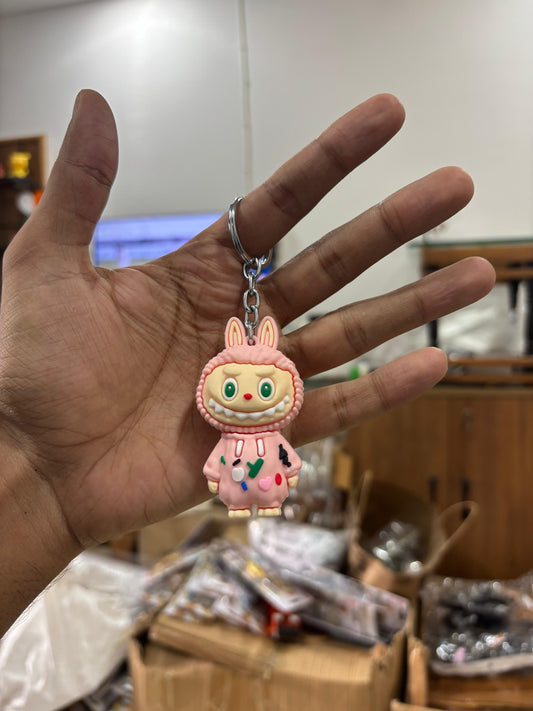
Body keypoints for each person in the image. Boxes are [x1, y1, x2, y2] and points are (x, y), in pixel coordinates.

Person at [0, 90, 495, 636]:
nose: (250, 400)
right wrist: (33, 466)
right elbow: (228, 458)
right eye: (235, 392)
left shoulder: (263, 415)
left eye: (260, 393)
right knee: (243, 481)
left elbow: (278, 453)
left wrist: (36, 486)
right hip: (232, 466)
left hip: (251, 465)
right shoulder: (225, 410)